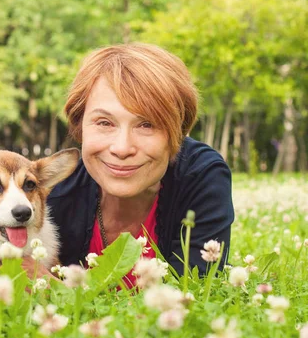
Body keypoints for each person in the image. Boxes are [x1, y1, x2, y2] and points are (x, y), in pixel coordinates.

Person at [46, 43, 234, 282]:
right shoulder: (54, 190)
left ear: (177, 133)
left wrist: (53, 290)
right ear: (79, 126)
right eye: (104, 122)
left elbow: (195, 292)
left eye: (147, 124)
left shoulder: (202, 176)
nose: (122, 148)